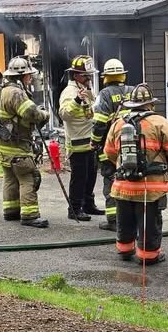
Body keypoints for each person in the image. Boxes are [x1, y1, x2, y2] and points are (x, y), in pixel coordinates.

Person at [104, 83, 168, 265]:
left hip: (123, 185)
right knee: (149, 223)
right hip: (150, 187)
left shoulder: (118, 123)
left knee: (124, 219)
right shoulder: (159, 122)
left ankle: (125, 250)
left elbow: (109, 152)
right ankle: (148, 256)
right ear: (150, 104)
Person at [0, 56, 51, 227]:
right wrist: (44, 114)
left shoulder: (4, 89)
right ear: (22, 76)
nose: (30, 78)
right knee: (27, 177)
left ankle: (11, 211)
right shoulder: (16, 93)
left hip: (2, 146)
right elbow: (32, 114)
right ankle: (30, 215)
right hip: (17, 147)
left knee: (10, 178)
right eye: (29, 75)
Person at [90, 59, 134, 231]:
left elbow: (99, 123)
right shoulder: (133, 91)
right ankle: (131, 217)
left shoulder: (105, 94)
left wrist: (94, 141)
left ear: (106, 77)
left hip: (111, 147)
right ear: (123, 75)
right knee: (130, 180)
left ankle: (114, 220)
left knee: (111, 181)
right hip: (132, 147)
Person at [59, 55, 103, 221]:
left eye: (90, 75)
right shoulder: (69, 92)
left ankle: (88, 205)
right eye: (86, 75)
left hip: (90, 142)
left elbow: (92, 110)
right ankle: (75, 209)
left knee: (91, 176)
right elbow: (64, 114)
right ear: (76, 75)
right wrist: (77, 100)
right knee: (79, 178)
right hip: (77, 144)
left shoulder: (87, 89)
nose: (89, 78)